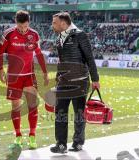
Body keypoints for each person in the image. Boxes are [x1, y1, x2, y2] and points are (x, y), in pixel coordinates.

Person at [0, 10, 49, 149]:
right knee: (15, 107)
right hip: (14, 77)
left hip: (29, 75)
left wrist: (44, 72)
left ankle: (32, 136)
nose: (23, 30)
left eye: (25, 27)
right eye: (20, 27)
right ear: (16, 23)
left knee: (33, 105)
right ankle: (18, 136)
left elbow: (38, 54)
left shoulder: (34, 34)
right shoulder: (8, 34)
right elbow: (0, 53)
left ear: (29, 23)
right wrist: (1, 70)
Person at [50, 12, 100, 153]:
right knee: (60, 113)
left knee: (78, 114)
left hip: (80, 81)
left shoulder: (80, 35)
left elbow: (89, 58)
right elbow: (62, 60)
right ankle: (61, 144)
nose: (52, 25)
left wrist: (95, 79)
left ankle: (78, 143)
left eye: (54, 22)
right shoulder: (59, 37)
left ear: (63, 23)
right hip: (63, 82)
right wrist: (58, 76)